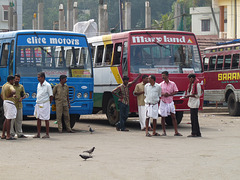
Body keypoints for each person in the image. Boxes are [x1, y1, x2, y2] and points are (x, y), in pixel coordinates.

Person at [159, 71, 182, 136]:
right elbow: (158, 92)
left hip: (170, 101)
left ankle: (176, 131)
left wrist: (169, 94)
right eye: (162, 76)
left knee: (173, 116)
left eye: (164, 75)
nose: (163, 77)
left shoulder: (172, 84)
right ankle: (164, 131)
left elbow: (176, 91)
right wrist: (163, 94)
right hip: (163, 101)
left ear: (167, 76)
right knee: (163, 117)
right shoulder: (160, 84)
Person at [33, 72, 53, 138]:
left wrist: (48, 103)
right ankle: (38, 134)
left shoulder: (47, 85)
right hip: (38, 103)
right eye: (38, 77)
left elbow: (51, 96)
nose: (38, 79)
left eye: (39, 77)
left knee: (46, 119)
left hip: (45, 103)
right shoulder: (38, 84)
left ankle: (47, 134)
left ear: (43, 77)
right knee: (38, 118)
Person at [10, 74, 27, 138]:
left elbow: (24, 95)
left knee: (19, 120)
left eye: (18, 79)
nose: (17, 80)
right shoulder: (11, 86)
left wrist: (22, 98)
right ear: (14, 79)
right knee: (12, 120)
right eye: (16, 79)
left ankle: (19, 133)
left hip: (19, 105)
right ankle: (11, 133)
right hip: (12, 105)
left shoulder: (21, 86)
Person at [1, 75, 17, 140]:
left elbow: (1, 95)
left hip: (5, 102)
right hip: (10, 103)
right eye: (13, 80)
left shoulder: (4, 85)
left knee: (6, 118)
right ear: (10, 80)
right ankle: (8, 135)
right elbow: (14, 91)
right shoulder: (10, 86)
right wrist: (11, 95)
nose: (14, 81)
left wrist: (5, 99)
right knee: (9, 119)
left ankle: (3, 135)